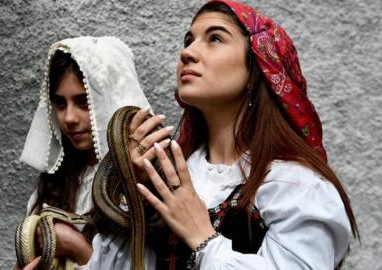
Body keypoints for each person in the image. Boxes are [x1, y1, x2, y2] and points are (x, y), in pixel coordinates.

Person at [92, 1, 359, 269]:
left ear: (258, 67)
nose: (187, 53)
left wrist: (202, 238)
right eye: (188, 40)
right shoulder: (175, 174)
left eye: (215, 39)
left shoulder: (296, 187)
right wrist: (136, 190)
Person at [14, 36, 155, 270]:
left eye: (83, 102)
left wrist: (75, 246)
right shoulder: (56, 181)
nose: (69, 118)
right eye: (60, 104)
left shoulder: (137, 186)